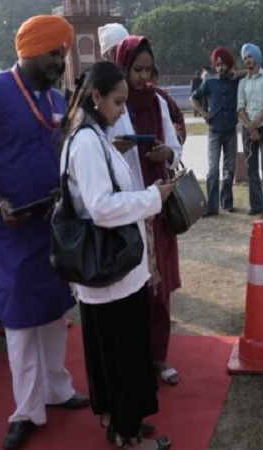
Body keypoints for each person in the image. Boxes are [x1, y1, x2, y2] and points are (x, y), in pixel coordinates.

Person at [0, 15, 89, 450]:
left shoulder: (54, 97)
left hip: (49, 223)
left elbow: (58, 150)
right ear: (29, 51)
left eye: (62, 55)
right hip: (9, 228)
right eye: (53, 54)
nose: (59, 62)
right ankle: (27, 410)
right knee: (21, 321)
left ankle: (58, 389)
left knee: (54, 310)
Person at [61, 60, 173, 450]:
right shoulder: (87, 142)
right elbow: (101, 208)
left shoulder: (91, 136)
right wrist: (152, 198)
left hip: (108, 271)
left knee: (109, 351)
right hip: (112, 269)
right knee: (124, 355)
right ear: (96, 96)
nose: (122, 111)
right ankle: (127, 434)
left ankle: (117, 421)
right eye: (118, 102)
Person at [113, 36, 183, 387]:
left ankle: (159, 357)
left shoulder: (157, 101)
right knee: (134, 289)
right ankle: (137, 359)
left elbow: (174, 145)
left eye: (147, 70)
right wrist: (117, 148)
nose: (143, 77)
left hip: (158, 207)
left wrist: (166, 154)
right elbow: (99, 147)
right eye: (136, 70)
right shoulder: (114, 104)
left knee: (160, 288)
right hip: (128, 207)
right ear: (123, 68)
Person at [191, 46, 241, 217]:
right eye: (217, 65)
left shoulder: (235, 81)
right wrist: (203, 113)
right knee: (213, 171)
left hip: (231, 131)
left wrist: (235, 73)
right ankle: (211, 207)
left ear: (229, 64)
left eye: (223, 64)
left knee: (230, 169)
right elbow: (193, 97)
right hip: (214, 132)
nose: (220, 67)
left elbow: (250, 72)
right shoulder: (210, 83)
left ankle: (227, 202)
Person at [237, 42, 263, 219]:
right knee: (251, 168)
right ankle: (256, 205)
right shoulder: (242, 83)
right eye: (245, 58)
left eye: (250, 56)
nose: (247, 60)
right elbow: (240, 108)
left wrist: (257, 123)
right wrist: (250, 126)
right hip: (248, 130)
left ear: (257, 57)